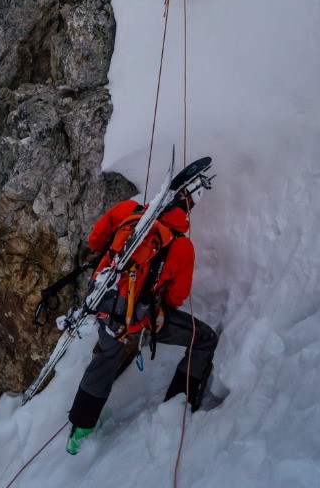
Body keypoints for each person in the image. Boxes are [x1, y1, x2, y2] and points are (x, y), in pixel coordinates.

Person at [66, 187, 219, 454]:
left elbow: (95, 240)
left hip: (102, 305)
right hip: (139, 321)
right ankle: (178, 404)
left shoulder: (128, 210)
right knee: (203, 339)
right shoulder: (182, 245)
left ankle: (79, 430)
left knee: (105, 359)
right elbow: (176, 296)